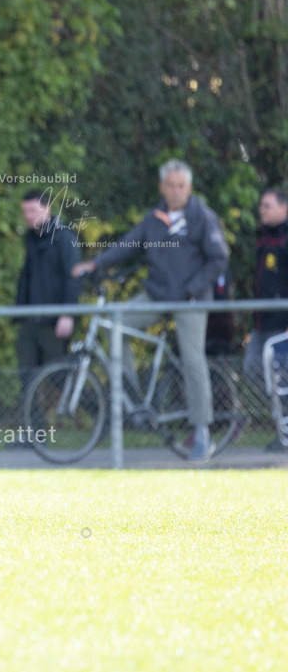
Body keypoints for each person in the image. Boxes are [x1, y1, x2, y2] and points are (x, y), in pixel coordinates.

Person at [71, 159, 230, 461]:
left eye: (181, 185)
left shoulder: (202, 217)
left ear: (190, 187)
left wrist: (193, 289)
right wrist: (96, 263)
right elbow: (127, 244)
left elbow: (219, 259)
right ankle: (133, 395)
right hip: (156, 295)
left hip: (191, 300)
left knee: (193, 359)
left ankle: (202, 433)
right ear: (162, 187)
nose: (176, 191)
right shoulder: (154, 218)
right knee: (113, 324)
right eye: (170, 185)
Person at [15, 189, 82, 377]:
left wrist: (68, 314)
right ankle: (30, 408)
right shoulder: (31, 239)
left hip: (54, 322)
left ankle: (98, 405)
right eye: (25, 211)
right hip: (30, 319)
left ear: (47, 209)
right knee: (27, 376)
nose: (28, 216)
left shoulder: (64, 238)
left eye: (32, 210)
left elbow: (74, 277)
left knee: (59, 377)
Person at [243, 188, 288, 450]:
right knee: (252, 369)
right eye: (261, 206)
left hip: (282, 326)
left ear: (284, 208)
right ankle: (281, 426)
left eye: (268, 206)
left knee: (283, 379)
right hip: (262, 325)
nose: (262, 210)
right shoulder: (264, 238)